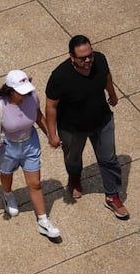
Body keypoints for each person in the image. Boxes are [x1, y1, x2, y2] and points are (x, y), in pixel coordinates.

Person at [45, 35, 129, 220]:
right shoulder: (60, 77)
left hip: (102, 120)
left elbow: (107, 77)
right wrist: (52, 134)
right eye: (83, 58)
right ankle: (74, 177)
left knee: (109, 159)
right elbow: (51, 106)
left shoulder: (99, 60)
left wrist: (112, 95)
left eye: (89, 55)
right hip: (72, 129)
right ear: (72, 57)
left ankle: (112, 195)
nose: (88, 60)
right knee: (73, 159)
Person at [0, 70, 61, 238]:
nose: (26, 94)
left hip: (30, 145)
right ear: (10, 90)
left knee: (35, 184)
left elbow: (39, 117)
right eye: (22, 92)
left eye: (27, 90)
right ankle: (7, 195)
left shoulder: (32, 98)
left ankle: (43, 221)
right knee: (7, 174)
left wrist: (50, 135)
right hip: (7, 147)